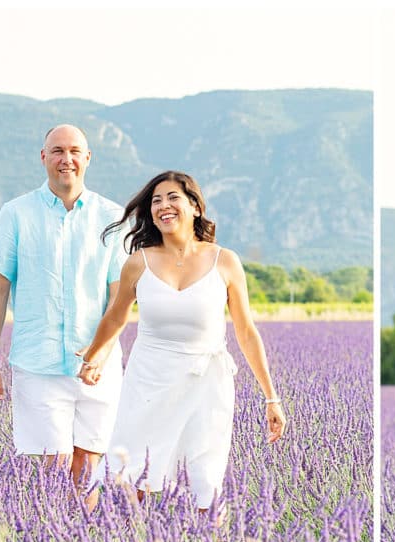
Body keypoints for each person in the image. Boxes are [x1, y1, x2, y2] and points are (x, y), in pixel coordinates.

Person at [77, 170, 287, 511]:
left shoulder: (225, 260)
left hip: (206, 386)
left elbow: (246, 331)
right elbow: (116, 316)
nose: (163, 206)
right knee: (128, 471)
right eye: (156, 201)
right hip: (147, 383)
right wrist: (93, 357)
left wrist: (271, 398)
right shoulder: (138, 262)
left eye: (173, 197)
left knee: (205, 480)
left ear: (195, 207)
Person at [0, 124, 126, 487]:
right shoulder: (16, 213)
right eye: (58, 151)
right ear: (43, 157)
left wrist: (100, 353)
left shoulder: (113, 216)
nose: (67, 159)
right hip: (38, 361)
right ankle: (59, 538)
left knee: (89, 466)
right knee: (55, 470)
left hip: (98, 365)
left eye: (75, 151)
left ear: (88, 158)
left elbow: (121, 296)